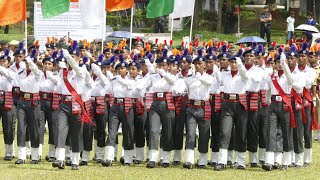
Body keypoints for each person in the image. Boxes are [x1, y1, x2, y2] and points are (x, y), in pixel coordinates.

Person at [183, 49, 214, 169]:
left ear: (205, 65)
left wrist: (198, 76)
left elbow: (208, 83)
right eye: (196, 64)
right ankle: (189, 160)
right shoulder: (189, 78)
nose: (198, 65)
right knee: (190, 134)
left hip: (204, 107)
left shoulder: (209, 77)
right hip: (191, 107)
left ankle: (202, 161)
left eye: (200, 64)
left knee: (204, 134)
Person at [0, 49, 16, 161]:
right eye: (0, 61)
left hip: (7, 100)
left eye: (4, 61)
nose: (2, 63)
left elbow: (9, 76)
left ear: (9, 63)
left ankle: (9, 152)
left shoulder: (11, 72)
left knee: (8, 126)